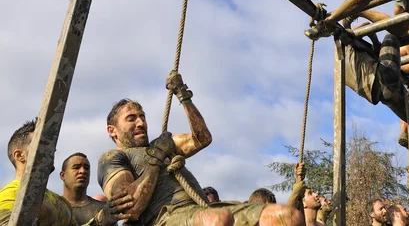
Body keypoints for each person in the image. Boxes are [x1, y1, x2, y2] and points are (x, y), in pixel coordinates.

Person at [98, 71, 303, 226]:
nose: (141, 123)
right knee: (218, 219)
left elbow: (202, 138)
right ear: (112, 130)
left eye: (142, 116)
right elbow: (130, 208)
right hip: (166, 219)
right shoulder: (113, 157)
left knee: (287, 217)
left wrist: (184, 97)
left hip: (202, 210)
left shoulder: (162, 144)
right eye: (131, 119)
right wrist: (158, 156)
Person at [0, 119, 132, 226]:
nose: (52, 150)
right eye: (42, 145)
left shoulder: (61, 203)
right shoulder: (9, 196)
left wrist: (104, 218)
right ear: (19, 156)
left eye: (51, 146)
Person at [61, 152, 112, 225]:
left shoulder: (103, 209)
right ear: (63, 175)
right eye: (76, 167)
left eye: (86, 168)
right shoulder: (53, 207)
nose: (83, 171)